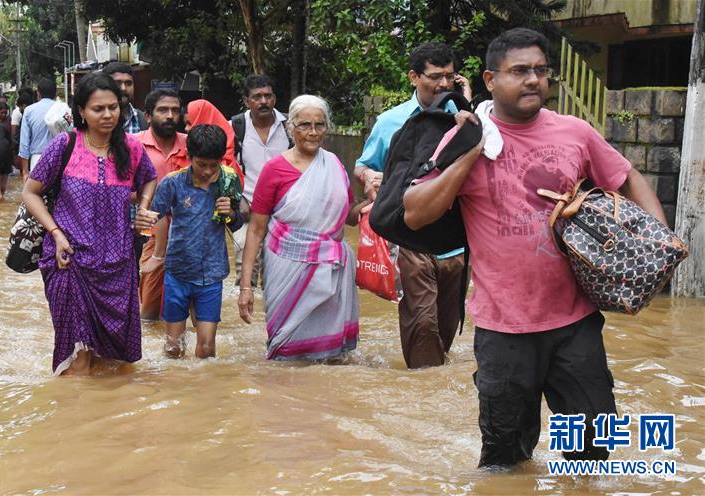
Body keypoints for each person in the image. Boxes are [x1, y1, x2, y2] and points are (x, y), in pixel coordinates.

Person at [403, 28, 668, 468]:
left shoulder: (575, 132)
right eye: (520, 71)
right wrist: (471, 152)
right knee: (505, 456)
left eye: (541, 72)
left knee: (593, 448)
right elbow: (415, 213)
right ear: (490, 79)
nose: (533, 81)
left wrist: (660, 243)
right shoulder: (466, 137)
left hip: (575, 321)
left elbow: (626, 177)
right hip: (503, 327)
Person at [21, 73, 157, 376]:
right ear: (81, 111)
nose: (108, 115)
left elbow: (149, 179)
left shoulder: (131, 148)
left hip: (119, 266)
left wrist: (143, 209)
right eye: (98, 109)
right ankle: (72, 419)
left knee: (113, 363)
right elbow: (30, 193)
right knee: (78, 360)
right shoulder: (64, 145)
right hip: (69, 262)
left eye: (113, 107)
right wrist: (55, 234)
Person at [354, 41, 473, 369]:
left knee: (447, 328)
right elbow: (362, 165)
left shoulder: (463, 118)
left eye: (450, 77)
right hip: (410, 241)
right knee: (422, 324)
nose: (444, 84)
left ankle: (432, 391)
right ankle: (425, 391)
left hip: (456, 244)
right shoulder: (391, 122)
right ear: (413, 77)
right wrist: (370, 178)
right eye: (435, 77)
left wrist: (470, 103)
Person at [237, 95, 366, 361]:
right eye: (305, 125)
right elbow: (257, 229)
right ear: (291, 128)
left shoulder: (334, 165)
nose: (313, 132)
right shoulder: (274, 170)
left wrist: (373, 203)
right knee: (285, 350)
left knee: (331, 358)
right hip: (285, 268)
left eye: (319, 125)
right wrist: (246, 287)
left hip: (331, 269)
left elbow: (348, 217)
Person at [136, 124, 244, 358]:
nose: (207, 171)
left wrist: (232, 213)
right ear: (189, 157)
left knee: (206, 348)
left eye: (213, 166)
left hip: (212, 275)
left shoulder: (228, 181)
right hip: (177, 272)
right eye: (201, 164)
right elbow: (156, 216)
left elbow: (236, 223)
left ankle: (204, 391)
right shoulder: (172, 183)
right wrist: (155, 252)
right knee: (174, 348)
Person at [229, 75, 291, 289]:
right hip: (248, 212)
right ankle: (246, 318)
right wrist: (237, 200)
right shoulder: (235, 127)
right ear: (247, 101)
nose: (263, 101)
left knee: (279, 274)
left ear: (274, 98)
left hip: (284, 214)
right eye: (257, 97)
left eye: (268, 96)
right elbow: (224, 168)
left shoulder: (291, 128)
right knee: (245, 271)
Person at [133, 89, 188, 321]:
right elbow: (119, 187)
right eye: (163, 110)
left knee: (191, 307)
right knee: (148, 312)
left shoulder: (191, 144)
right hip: (151, 234)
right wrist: (153, 198)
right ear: (148, 115)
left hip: (190, 234)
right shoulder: (133, 145)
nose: (170, 116)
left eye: (175, 110)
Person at [18, 78, 57, 180]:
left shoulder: (29, 111)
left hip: (37, 159)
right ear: (55, 92)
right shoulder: (63, 109)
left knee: (35, 194)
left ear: (38, 93)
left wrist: (25, 172)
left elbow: (24, 143)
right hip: (59, 158)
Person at [101, 62, 148, 134]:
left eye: (128, 83)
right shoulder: (96, 120)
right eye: (117, 83)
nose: (123, 88)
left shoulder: (144, 121)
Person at [0, 101, 15, 194]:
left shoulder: (8, 120)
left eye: (5, 112)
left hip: (7, 151)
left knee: (5, 173)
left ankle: (2, 193)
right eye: (1, 112)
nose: (3, 114)